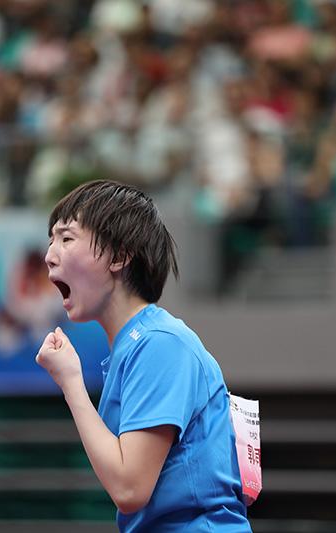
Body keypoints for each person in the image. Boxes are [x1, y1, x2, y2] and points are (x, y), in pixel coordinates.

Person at [36, 180, 252, 532]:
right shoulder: (136, 346)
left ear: (119, 256)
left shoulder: (160, 344)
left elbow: (129, 487)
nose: (49, 254)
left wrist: (71, 383)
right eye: (51, 240)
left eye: (66, 238)